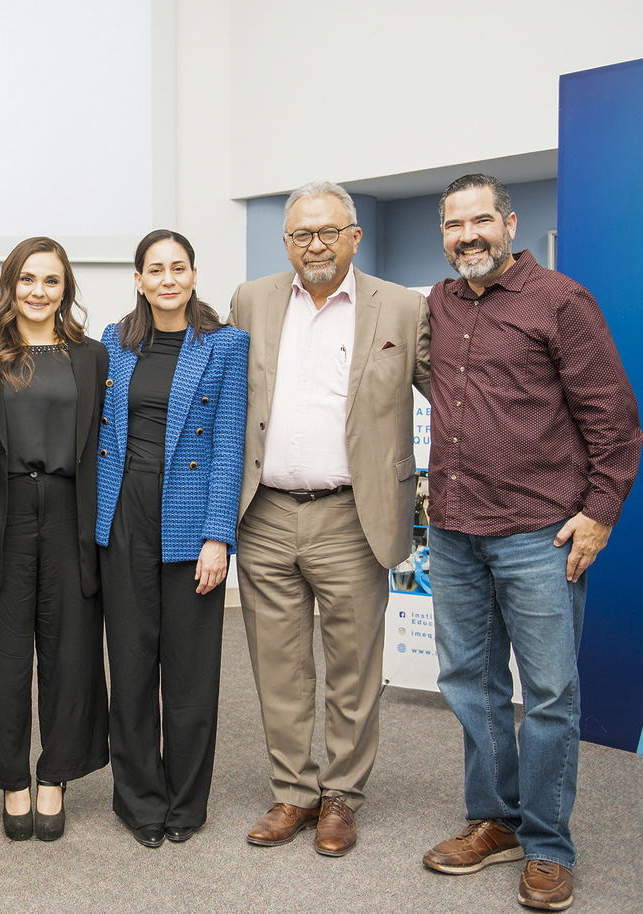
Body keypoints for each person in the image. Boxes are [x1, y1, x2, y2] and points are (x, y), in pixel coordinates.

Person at [421, 174, 641, 912]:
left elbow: (615, 421)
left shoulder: (561, 301)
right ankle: (495, 820)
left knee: (548, 695)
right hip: (453, 531)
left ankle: (547, 842)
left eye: (480, 220)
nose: (467, 235)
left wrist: (601, 512)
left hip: (539, 535)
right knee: (470, 686)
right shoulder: (440, 303)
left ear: (510, 223)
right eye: (454, 225)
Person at [229, 181, 431, 857]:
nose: (313, 246)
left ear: (354, 234)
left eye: (326, 232)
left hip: (352, 513)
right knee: (278, 666)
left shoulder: (401, 308)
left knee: (352, 667)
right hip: (266, 513)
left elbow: (458, 394)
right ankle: (293, 791)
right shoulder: (252, 300)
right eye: (299, 235)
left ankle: (342, 796)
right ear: (285, 242)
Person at [96, 229, 248, 848]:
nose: (166, 278)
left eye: (177, 267)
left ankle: (186, 803)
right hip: (123, 512)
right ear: (138, 279)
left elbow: (228, 443)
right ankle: (140, 802)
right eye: (154, 269)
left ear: (192, 275)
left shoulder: (225, 345)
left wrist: (219, 537)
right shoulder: (115, 340)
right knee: (130, 664)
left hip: (189, 516)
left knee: (189, 673)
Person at [0, 237, 109, 842]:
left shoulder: (92, 356)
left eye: (50, 281)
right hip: (3, 511)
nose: (38, 291)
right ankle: (11, 778)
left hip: (73, 510)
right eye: (27, 279)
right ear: (9, 285)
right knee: (2, 651)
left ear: (65, 288)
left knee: (71, 648)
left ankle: (56, 776)